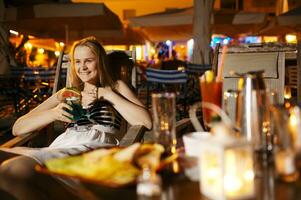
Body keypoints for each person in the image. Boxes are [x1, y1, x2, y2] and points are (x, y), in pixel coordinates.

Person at [0, 36, 152, 199]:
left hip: (93, 151)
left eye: (88, 61)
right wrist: (54, 111)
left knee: (15, 169)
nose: (82, 67)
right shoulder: (69, 93)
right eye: (78, 61)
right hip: (61, 146)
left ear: (100, 62)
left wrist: (106, 94)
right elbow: (18, 128)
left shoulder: (115, 87)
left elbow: (146, 121)